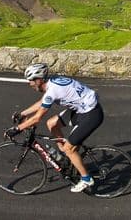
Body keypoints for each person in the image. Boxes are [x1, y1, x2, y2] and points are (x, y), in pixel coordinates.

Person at [8, 62, 104, 193]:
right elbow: (43, 102)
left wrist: (17, 129)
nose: (29, 84)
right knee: (51, 123)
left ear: (39, 80)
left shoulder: (52, 90)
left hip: (91, 114)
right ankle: (66, 155)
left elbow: (37, 118)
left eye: (31, 81)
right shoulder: (52, 82)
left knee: (70, 149)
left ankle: (86, 179)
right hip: (82, 109)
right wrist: (23, 113)